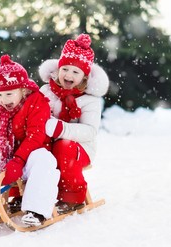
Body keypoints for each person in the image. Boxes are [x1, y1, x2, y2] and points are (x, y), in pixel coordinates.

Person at [0, 54, 60, 227]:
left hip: (28, 156)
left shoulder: (37, 102)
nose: (4, 100)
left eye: (9, 94)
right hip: (6, 157)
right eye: (0, 95)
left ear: (23, 90)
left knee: (44, 160)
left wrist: (18, 160)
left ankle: (36, 210)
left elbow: (35, 136)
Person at [38, 34, 109, 214]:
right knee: (30, 148)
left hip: (80, 149)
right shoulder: (46, 90)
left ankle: (71, 197)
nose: (68, 75)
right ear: (58, 69)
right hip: (49, 143)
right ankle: (27, 192)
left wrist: (61, 129)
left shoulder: (89, 100)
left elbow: (90, 131)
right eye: (65, 69)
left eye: (76, 72)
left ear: (85, 77)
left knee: (64, 146)